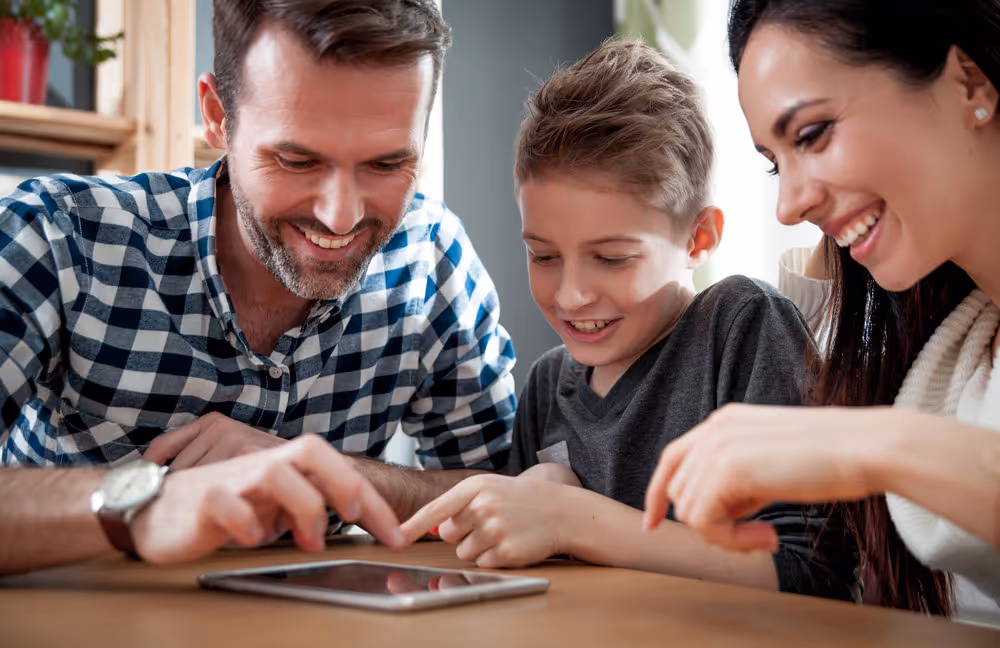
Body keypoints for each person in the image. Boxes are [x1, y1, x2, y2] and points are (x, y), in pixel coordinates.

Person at [0, 0, 517, 574]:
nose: (341, 217)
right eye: (297, 160)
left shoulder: (429, 257)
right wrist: (143, 503)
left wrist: (335, 474)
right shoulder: (55, 235)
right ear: (218, 116)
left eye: (386, 164)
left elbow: (508, 494)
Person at [399, 40, 858, 601]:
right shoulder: (548, 387)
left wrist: (574, 519)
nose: (570, 295)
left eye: (612, 258)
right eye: (542, 255)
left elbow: (814, 574)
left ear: (699, 238)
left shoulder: (739, 327)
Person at [644, 0, 1000, 623]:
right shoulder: (951, 348)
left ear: (968, 81)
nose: (786, 204)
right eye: (774, 163)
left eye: (812, 134)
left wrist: (872, 448)